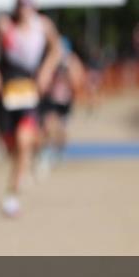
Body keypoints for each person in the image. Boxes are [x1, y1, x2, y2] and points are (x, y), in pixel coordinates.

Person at [0, 0, 62, 217]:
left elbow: (57, 49)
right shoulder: (4, 25)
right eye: (21, 2)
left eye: (29, 2)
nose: (25, 7)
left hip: (29, 90)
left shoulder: (43, 25)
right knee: (10, 146)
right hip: (6, 91)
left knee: (24, 141)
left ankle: (12, 195)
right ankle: (31, 158)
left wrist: (46, 70)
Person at [36, 36, 86, 175]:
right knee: (48, 125)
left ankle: (58, 150)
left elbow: (78, 80)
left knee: (61, 131)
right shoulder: (48, 60)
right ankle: (46, 152)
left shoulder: (71, 61)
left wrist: (69, 75)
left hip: (65, 101)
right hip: (51, 100)